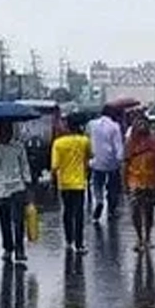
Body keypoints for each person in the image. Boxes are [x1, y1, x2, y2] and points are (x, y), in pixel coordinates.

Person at [0, 120, 30, 266]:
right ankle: (8, 249)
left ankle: (20, 249)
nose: (3, 133)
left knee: (18, 222)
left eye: (5, 130)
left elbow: (24, 166)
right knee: (4, 222)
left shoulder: (18, 146)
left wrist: (27, 185)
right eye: (0, 130)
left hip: (17, 188)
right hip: (1, 190)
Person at [123, 113, 155, 252]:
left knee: (149, 211)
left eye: (144, 123)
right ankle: (139, 238)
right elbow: (125, 164)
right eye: (139, 123)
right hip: (134, 181)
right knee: (135, 211)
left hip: (151, 181)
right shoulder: (130, 143)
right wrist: (124, 183)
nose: (142, 126)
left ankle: (147, 237)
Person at [52, 113, 91, 254]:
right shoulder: (84, 141)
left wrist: (53, 181)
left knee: (67, 212)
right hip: (79, 182)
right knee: (79, 213)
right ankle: (79, 244)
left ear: (67, 126)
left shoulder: (58, 143)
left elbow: (54, 166)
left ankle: (69, 240)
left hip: (64, 183)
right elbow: (89, 156)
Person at [86, 106, 124, 222]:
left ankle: (99, 200)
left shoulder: (92, 124)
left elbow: (88, 138)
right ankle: (111, 209)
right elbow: (118, 145)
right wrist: (120, 160)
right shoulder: (115, 126)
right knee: (113, 186)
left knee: (97, 184)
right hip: (111, 161)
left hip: (96, 159)